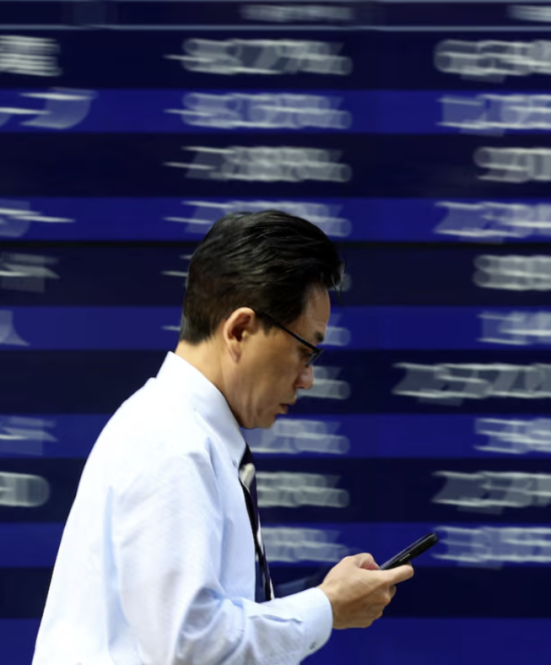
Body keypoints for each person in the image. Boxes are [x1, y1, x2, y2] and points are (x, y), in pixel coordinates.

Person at [32, 210, 414, 664]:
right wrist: (325, 608)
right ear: (240, 330)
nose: (308, 378)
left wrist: (326, 602)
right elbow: (193, 648)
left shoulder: (182, 432)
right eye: (304, 351)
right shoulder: (171, 441)